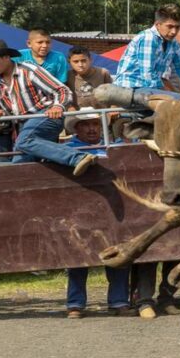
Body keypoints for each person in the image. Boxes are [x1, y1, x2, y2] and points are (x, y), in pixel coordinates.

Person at [0, 39, 94, 176]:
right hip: (22, 127)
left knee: (24, 141)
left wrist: (57, 106)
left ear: (6, 57)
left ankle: (77, 157)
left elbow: (62, 91)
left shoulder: (28, 70)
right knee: (19, 168)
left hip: (47, 116)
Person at [62, 110, 131, 318]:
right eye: (86, 124)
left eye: (95, 124)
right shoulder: (65, 150)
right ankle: (75, 303)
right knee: (78, 255)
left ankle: (119, 301)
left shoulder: (114, 146)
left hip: (112, 207)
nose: (92, 128)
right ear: (76, 128)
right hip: (79, 208)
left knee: (118, 252)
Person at [114, 4, 180, 97]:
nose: (173, 31)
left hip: (147, 88)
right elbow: (148, 75)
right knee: (178, 99)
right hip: (129, 87)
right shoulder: (148, 38)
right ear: (157, 24)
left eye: (177, 27)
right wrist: (168, 94)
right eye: (170, 26)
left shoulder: (173, 43)